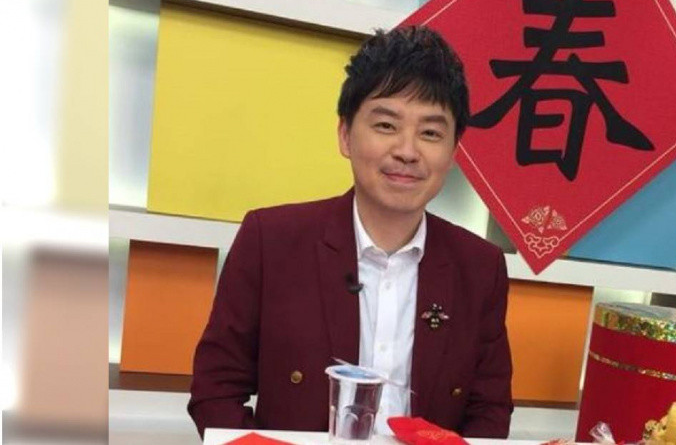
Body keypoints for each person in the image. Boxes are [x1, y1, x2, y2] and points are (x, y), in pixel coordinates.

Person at [187, 25, 513, 439]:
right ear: (345, 135)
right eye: (386, 125)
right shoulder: (270, 240)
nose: (407, 151)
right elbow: (215, 391)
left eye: (430, 133)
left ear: (453, 152)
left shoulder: (481, 267)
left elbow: (489, 410)